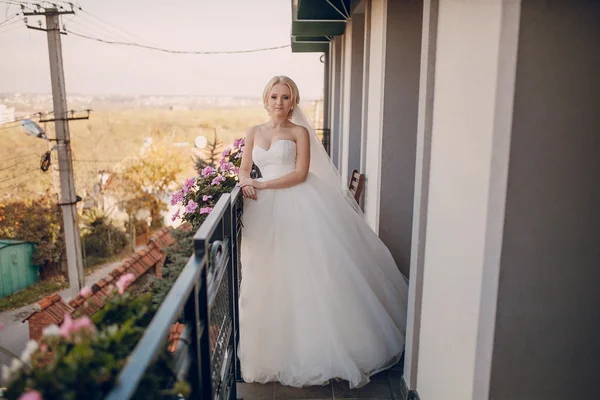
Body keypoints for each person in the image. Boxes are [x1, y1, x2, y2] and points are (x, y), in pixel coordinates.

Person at [237, 75, 408, 389]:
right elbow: (244, 167)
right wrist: (245, 181)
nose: (280, 103)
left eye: (286, 97)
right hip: (264, 212)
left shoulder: (300, 132)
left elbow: (300, 174)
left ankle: (319, 347)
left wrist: (261, 183)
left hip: (299, 204)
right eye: (274, 96)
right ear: (266, 99)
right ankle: (272, 351)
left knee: (307, 274)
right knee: (269, 275)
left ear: (294, 101)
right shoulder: (253, 132)